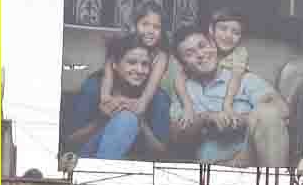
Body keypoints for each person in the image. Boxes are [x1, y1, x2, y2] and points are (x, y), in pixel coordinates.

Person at [165, 25, 285, 166]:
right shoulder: (184, 89)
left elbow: (282, 110)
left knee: (267, 112)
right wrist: (205, 118)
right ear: (183, 64)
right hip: (213, 166)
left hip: (250, 157)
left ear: (213, 45)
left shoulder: (243, 78)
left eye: (202, 46)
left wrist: (242, 119)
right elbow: (175, 136)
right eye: (190, 53)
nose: (200, 54)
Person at [62, 31, 172, 162]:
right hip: (91, 159)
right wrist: (102, 120)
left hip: (136, 166)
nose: (139, 70)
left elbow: (160, 151)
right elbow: (70, 142)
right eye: (131, 62)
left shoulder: (157, 97)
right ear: (114, 64)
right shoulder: (94, 87)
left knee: (128, 118)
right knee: (126, 118)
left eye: (145, 64)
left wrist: (140, 122)